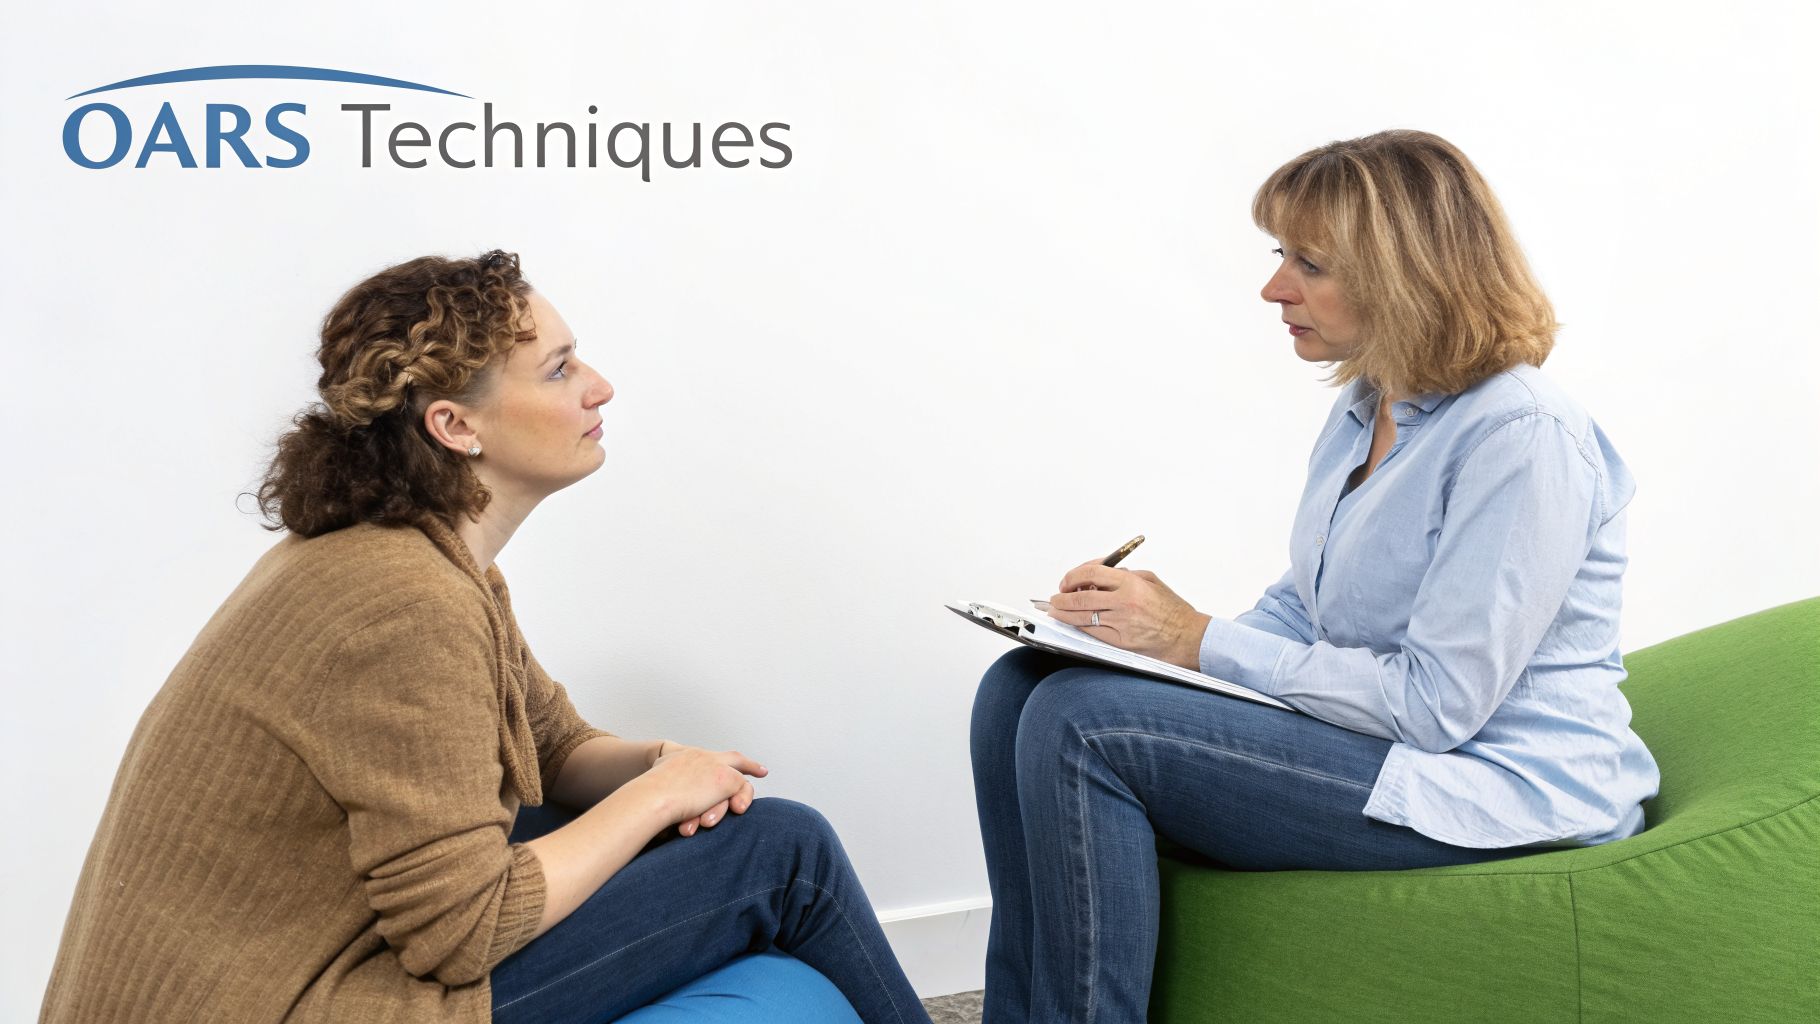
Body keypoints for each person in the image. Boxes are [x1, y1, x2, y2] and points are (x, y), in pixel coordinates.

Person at [40, 250, 930, 1024]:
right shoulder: (402, 603)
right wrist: (657, 800)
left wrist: (668, 765)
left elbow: (551, 746)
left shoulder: (424, 557)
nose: (599, 386)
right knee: (785, 852)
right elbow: (460, 930)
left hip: (298, 959)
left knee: (691, 827)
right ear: (455, 425)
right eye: (558, 370)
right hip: (284, 1001)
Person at [969, 129, 1661, 1022]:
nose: (1275, 289)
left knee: (1085, 723)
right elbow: (1308, 607)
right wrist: (1140, 645)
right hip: (1401, 749)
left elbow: (1436, 708)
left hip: (1495, 786)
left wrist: (1197, 641)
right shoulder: (1371, 404)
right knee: (1020, 685)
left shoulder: (1522, 436)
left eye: (1312, 264)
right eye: (1280, 256)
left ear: (1405, 276)